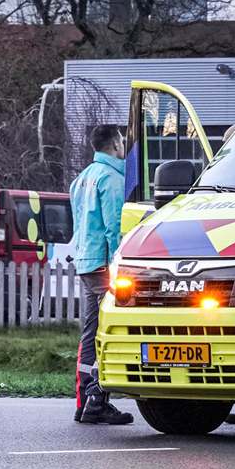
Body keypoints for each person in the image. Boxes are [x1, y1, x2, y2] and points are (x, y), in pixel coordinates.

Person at [70, 126, 133, 425]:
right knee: (105, 333)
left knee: (89, 332)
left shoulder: (82, 178)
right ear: (116, 144)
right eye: (123, 141)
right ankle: (97, 400)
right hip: (103, 265)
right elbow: (114, 226)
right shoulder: (111, 179)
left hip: (85, 261)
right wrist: (119, 266)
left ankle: (84, 400)